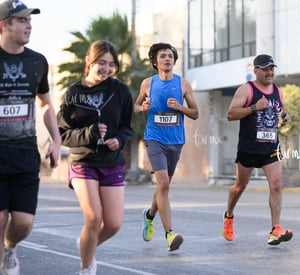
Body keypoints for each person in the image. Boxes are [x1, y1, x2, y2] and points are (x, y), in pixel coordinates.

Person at [57, 40, 134, 274]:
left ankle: (85, 245)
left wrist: (119, 140)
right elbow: (63, 134)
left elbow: (127, 127)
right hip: (83, 162)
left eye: (111, 64)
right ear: (89, 61)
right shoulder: (74, 93)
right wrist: (90, 134)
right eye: (101, 63)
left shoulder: (120, 91)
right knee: (93, 219)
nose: (107, 69)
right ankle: (86, 267)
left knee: (113, 224)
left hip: (111, 162)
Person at [0, 1, 61, 274]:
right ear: (4, 25)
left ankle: (9, 249)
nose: (29, 25)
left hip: (25, 152)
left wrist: (56, 141)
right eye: (22, 20)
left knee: (23, 223)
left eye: (29, 20)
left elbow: (46, 104)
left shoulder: (37, 62)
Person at [222, 54, 293, 246]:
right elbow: (230, 114)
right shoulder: (246, 90)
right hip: (249, 148)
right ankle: (229, 216)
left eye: (272, 68)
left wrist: (285, 116)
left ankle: (275, 229)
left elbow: (281, 110)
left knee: (277, 185)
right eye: (265, 69)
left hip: (271, 147)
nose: (270, 72)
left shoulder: (277, 90)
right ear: (256, 71)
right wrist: (254, 107)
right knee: (240, 186)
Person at [134, 42, 199, 252]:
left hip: (176, 141)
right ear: (155, 61)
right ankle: (170, 234)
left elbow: (195, 113)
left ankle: (149, 215)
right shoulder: (147, 84)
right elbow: (135, 106)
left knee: (164, 186)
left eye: (170, 56)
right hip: (154, 139)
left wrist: (179, 107)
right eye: (163, 56)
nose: (167, 59)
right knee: (162, 182)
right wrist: (142, 107)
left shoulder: (183, 84)